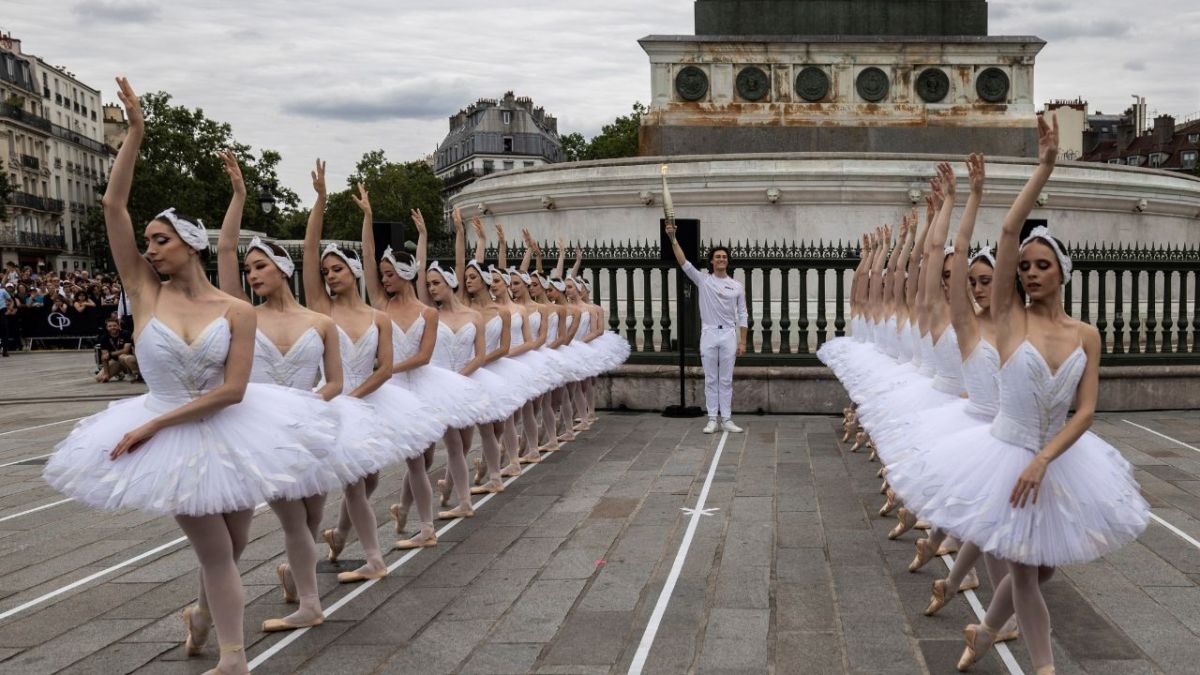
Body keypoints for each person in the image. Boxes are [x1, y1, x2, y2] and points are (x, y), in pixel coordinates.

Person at [44, 77, 337, 675]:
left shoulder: (236, 312)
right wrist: (136, 133)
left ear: (190, 246)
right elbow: (111, 206)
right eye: (148, 241)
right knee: (214, 550)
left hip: (225, 425)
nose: (150, 250)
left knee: (231, 545)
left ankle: (201, 620)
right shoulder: (143, 292)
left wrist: (155, 424)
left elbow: (232, 391)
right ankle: (234, 657)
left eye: (161, 240)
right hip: (171, 434)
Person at [301, 163, 445, 581]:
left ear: (353, 275)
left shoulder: (377, 315)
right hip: (335, 399)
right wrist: (323, 202)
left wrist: (356, 395)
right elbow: (310, 254)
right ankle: (339, 543)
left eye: (336, 269)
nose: (328, 275)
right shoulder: (322, 307)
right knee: (355, 481)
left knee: (369, 477)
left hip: (374, 397)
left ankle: (397, 539)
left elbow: (387, 367)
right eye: (326, 271)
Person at [357, 192, 493, 548]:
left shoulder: (426, 312)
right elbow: (368, 258)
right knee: (372, 466)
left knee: (421, 458)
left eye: (390, 275)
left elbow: (422, 356)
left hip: (414, 386)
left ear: (404, 275)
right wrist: (368, 218)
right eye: (383, 275)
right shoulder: (380, 305)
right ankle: (376, 521)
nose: (384, 279)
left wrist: (386, 369)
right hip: (387, 388)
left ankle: (427, 526)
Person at [663, 221, 748, 433]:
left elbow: (743, 314)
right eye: (718, 257)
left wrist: (743, 340)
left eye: (724, 257)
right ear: (711, 261)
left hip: (728, 333)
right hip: (709, 332)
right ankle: (712, 418)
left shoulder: (736, 286)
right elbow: (683, 263)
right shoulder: (703, 280)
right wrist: (673, 238)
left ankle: (726, 418)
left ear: (728, 262)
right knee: (711, 378)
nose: (721, 259)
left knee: (726, 379)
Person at [95, 317, 139, 382]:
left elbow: (126, 350)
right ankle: (118, 373)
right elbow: (104, 357)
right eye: (110, 326)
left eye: (115, 325)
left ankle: (138, 375)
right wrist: (106, 374)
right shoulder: (104, 338)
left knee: (124, 357)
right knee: (99, 378)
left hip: (128, 358)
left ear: (118, 326)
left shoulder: (126, 334)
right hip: (116, 362)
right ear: (107, 328)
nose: (112, 327)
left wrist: (110, 354)